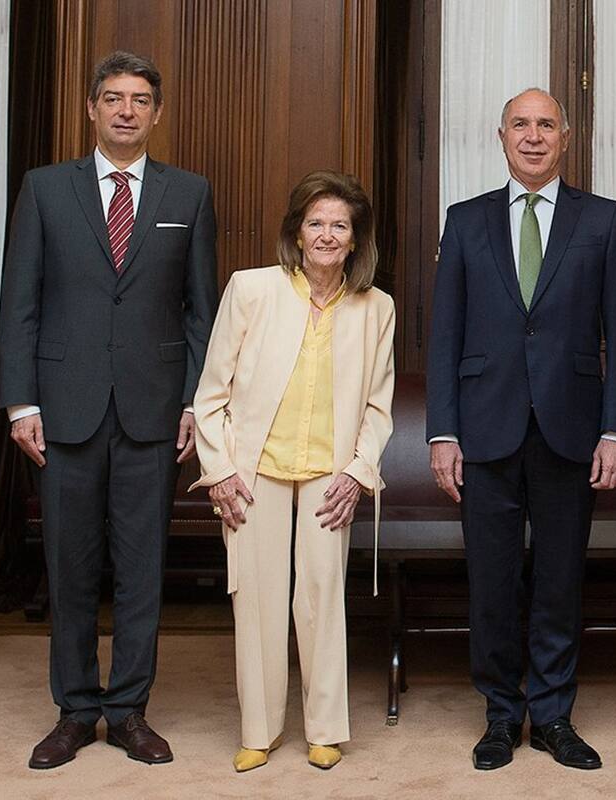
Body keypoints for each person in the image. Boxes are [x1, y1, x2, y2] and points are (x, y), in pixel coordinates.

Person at [0, 51, 218, 769]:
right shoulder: (43, 189)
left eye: (141, 99)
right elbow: (21, 305)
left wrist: (192, 400)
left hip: (153, 414)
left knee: (140, 565)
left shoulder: (188, 195)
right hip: (61, 411)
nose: (127, 110)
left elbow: (199, 313)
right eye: (114, 98)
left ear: (157, 113)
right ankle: (74, 710)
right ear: (91, 109)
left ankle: (128, 711)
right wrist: (21, 402)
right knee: (68, 566)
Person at [426, 88, 616, 771]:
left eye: (547, 124)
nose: (534, 135)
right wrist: (442, 434)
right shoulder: (464, 222)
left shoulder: (603, 221)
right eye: (522, 124)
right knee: (491, 583)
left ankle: (552, 715)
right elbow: (444, 337)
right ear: (501, 136)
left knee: (558, 581)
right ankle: (498, 715)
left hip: (570, 430)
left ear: (567, 137)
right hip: (484, 430)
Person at [191, 171, 394, 773]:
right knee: (255, 599)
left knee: (322, 596)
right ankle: (259, 728)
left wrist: (359, 474)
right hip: (255, 473)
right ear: (296, 233)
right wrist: (220, 470)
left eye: (340, 225)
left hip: (331, 476)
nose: (327, 235)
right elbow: (210, 395)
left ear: (356, 239)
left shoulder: (375, 306)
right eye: (315, 223)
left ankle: (326, 728)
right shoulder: (251, 289)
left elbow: (380, 405)